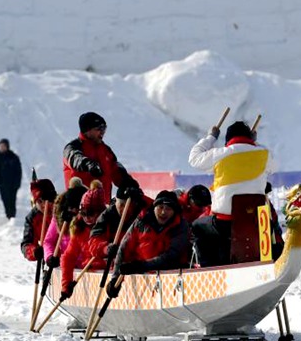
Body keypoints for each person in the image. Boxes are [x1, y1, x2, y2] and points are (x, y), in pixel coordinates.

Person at [188, 120, 272, 267]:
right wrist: (255, 143)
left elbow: (194, 159)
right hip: (256, 220)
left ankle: (209, 269)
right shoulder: (264, 154)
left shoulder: (221, 154)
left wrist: (211, 137)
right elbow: (273, 164)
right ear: (250, 137)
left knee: (197, 226)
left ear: (228, 140)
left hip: (224, 222)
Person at [106, 191, 190, 298]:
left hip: (169, 276)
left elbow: (171, 256)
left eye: (168, 209)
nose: (163, 212)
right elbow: (124, 249)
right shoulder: (141, 221)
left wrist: (140, 266)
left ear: (174, 211)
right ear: (154, 207)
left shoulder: (181, 226)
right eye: (160, 207)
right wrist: (115, 278)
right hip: (141, 276)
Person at [63, 112, 135, 198]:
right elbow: (75, 158)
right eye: (99, 128)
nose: (103, 132)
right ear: (87, 130)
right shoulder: (73, 147)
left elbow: (116, 170)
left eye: (104, 128)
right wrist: (88, 164)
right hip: (79, 207)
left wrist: (129, 184)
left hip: (102, 206)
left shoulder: (106, 150)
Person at [59, 181, 107, 300]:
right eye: (83, 213)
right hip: (90, 274)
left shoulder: (111, 225)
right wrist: (66, 285)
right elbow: (68, 257)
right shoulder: (79, 228)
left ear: (100, 211)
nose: (86, 217)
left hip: (109, 274)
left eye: (90, 213)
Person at [87, 183, 152, 263]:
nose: (125, 209)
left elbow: (158, 208)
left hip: (139, 263)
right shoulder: (107, 216)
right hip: (116, 264)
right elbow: (94, 241)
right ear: (115, 202)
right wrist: (106, 249)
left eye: (129, 205)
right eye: (121, 205)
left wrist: (142, 198)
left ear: (135, 204)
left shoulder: (142, 213)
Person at [43, 178, 87, 268]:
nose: (74, 211)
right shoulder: (60, 217)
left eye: (77, 208)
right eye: (71, 207)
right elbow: (48, 241)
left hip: (88, 268)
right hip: (68, 266)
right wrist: (49, 256)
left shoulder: (91, 217)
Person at [20, 177, 58, 261]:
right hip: (49, 259)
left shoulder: (63, 209)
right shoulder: (33, 218)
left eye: (48, 200)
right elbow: (26, 244)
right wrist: (34, 251)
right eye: (40, 201)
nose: (45, 205)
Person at [0, 139, 23, 219]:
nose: (2, 148)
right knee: (5, 200)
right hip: (1, 183)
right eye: (0, 146)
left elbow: (18, 171)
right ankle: (8, 215)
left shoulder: (13, 157)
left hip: (12, 184)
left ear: (7, 147)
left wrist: (17, 183)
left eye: (4, 146)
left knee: (12, 200)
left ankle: (12, 216)